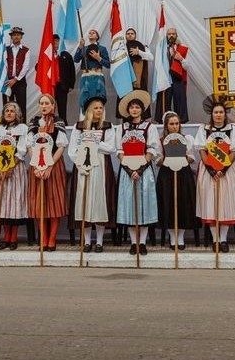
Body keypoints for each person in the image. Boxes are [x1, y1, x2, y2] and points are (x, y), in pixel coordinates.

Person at [195, 96, 235, 252]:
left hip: (226, 172)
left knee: (225, 204)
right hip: (209, 171)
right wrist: (210, 170)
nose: (218, 115)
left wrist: (223, 169)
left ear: (225, 113)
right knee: (211, 204)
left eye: (221, 112)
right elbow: (202, 150)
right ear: (211, 114)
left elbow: (234, 151)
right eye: (216, 112)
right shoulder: (204, 130)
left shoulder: (233, 130)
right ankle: (215, 239)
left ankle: (223, 240)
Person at [70, 96, 116, 252]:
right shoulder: (79, 127)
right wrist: (80, 164)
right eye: (96, 108)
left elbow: (111, 148)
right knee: (84, 203)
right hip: (84, 167)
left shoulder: (108, 127)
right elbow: (72, 149)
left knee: (98, 203)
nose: (99, 110)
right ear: (89, 110)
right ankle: (87, 241)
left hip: (101, 167)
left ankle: (100, 241)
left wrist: (94, 141)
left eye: (101, 108)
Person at [115, 90, 158, 255]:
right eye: (132, 107)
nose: (134, 110)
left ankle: (142, 242)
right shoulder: (122, 128)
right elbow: (119, 150)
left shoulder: (150, 127)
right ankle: (133, 243)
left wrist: (140, 168)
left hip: (144, 171)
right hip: (127, 171)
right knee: (130, 206)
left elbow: (152, 149)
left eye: (137, 107)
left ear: (142, 109)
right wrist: (129, 168)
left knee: (144, 205)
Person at [28, 94, 68, 251]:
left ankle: (52, 239)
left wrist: (50, 166)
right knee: (39, 203)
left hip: (54, 165)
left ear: (53, 106)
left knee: (54, 202)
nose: (44, 106)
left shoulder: (58, 122)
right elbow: (30, 146)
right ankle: (43, 238)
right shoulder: (33, 123)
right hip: (36, 166)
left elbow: (61, 146)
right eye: (41, 103)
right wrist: (36, 166)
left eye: (47, 103)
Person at [0, 102, 29, 250]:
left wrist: (11, 165)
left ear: (17, 114)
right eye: (7, 111)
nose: (9, 113)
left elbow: (22, 149)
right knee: (3, 204)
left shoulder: (23, 129)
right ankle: (5, 237)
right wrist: (2, 168)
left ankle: (13, 237)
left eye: (12, 111)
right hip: (1, 169)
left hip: (16, 168)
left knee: (15, 203)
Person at [156, 111, 197, 250]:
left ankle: (181, 237)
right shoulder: (161, 141)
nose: (174, 126)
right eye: (171, 124)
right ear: (166, 126)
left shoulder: (187, 139)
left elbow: (192, 157)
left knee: (183, 203)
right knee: (168, 204)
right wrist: (168, 155)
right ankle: (172, 237)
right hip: (167, 175)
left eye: (177, 123)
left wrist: (181, 157)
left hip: (183, 174)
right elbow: (157, 161)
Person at [73, 29, 110, 116]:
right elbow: (76, 59)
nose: (91, 34)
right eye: (89, 32)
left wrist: (98, 58)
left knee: (99, 98)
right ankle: (84, 121)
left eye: (93, 33)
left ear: (97, 37)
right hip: (86, 76)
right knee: (85, 97)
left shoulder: (102, 49)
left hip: (98, 76)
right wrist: (80, 47)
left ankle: (99, 121)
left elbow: (108, 64)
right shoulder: (84, 48)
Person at [160, 27, 189, 123]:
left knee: (180, 102)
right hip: (166, 79)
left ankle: (181, 123)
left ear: (176, 36)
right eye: (169, 34)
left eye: (173, 33)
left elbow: (187, 66)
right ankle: (165, 123)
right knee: (165, 103)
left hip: (178, 79)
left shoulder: (182, 49)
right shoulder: (161, 49)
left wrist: (181, 59)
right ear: (166, 36)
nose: (171, 35)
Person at [1, 26, 31, 112]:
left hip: (20, 81)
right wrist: (7, 78)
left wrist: (15, 79)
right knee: (7, 106)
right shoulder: (5, 49)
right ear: (11, 36)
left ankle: (22, 125)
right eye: (14, 35)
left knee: (21, 106)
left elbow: (26, 67)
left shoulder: (26, 50)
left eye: (18, 35)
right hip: (7, 81)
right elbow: (4, 64)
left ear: (21, 36)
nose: (16, 36)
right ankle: (8, 124)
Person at [54, 35, 77, 122]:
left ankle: (63, 126)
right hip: (50, 86)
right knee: (49, 107)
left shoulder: (66, 55)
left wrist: (71, 85)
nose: (55, 43)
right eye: (54, 41)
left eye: (57, 41)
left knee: (62, 108)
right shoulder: (46, 55)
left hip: (62, 86)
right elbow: (38, 67)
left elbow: (72, 71)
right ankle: (49, 126)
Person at [124, 27, 154, 92]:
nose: (130, 35)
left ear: (135, 36)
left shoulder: (142, 46)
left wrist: (139, 52)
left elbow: (151, 57)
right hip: (126, 77)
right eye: (128, 33)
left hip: (139, 78)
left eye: (132, 33)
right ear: (125, 36)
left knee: (138, 99)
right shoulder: (122, 47)